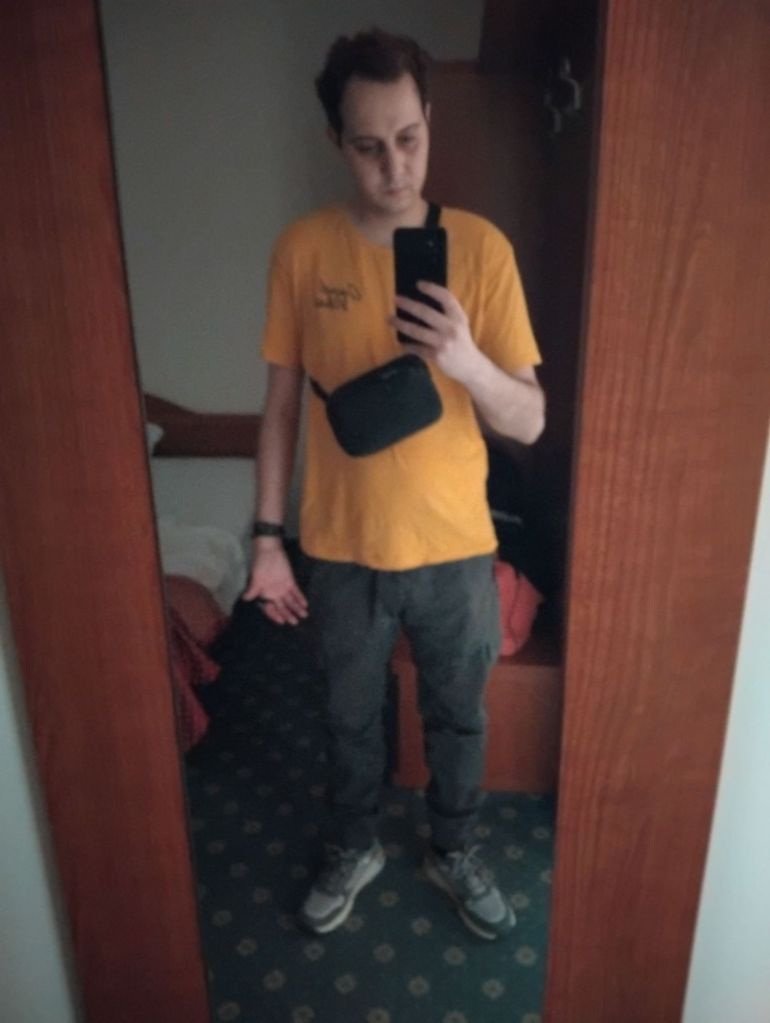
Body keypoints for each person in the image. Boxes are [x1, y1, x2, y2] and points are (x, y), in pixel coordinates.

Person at [243, 27, 545, 941]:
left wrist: (466, 358)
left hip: (456, 548)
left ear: (430, 122)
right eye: (369, 146)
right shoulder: (303, 249)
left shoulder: (481, 249)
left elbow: (530, 417)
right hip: (341, 547)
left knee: (459, 718)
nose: (394, 167)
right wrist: (266, 539)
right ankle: (354, 843)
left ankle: (454, 846)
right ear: (337, 142)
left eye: (409, 139)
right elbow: (281, 408)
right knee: (347, 717)